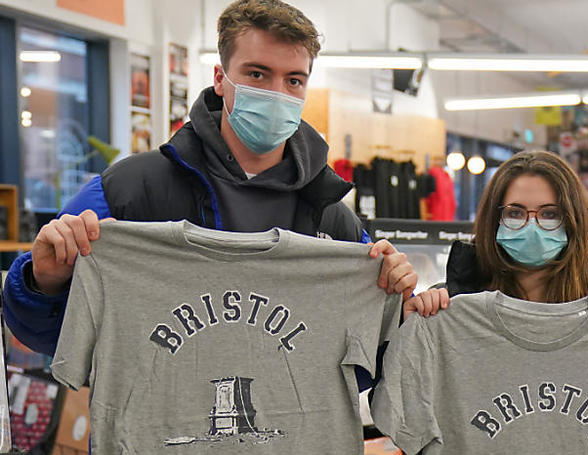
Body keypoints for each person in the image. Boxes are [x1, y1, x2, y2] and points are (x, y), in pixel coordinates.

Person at [2, 0, 416, 392]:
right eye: (257, 74)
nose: (277, 93)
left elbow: (359, 368)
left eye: (293, 80)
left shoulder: (331, 216)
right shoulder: (129, 192)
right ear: (221, 78)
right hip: (155, 453)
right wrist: (43, 282)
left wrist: (398, 303)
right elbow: (48, 337)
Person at [394, 150, 588, 455]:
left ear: (571, 219)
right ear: (493, 219)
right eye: (514, 213)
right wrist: (408, 332)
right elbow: (402, 420)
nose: (531, 225)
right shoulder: (448, 309)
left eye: (549, 214)